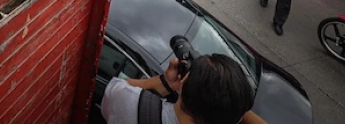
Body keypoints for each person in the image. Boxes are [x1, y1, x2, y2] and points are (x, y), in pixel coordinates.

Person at [100, 53, 264, 124]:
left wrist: (164, 82)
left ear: (184, 82)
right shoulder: (232, 115)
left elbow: (116, 85)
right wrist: (232, 98)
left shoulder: (127, 101)